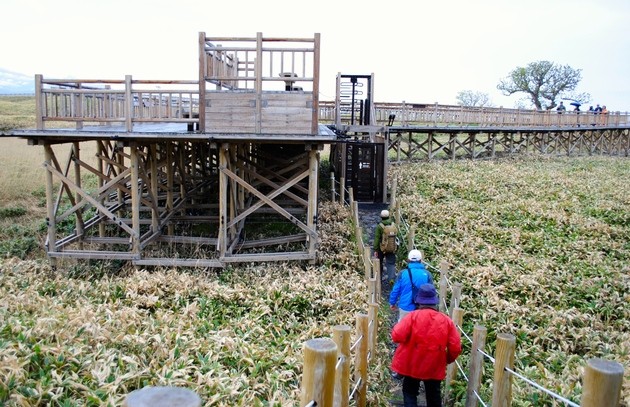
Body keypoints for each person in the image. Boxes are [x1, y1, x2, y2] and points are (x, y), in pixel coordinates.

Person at [391, 283, 462, 407]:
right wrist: (446, 359)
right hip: (434, 364)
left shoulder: (412, 317)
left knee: (409, 391)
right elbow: (455, 347)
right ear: (434, 302)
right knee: (434, 395)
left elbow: (396, 336)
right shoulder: (446, 321)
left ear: (419, 301)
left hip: (411, 363)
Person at [389, 249, 433, 322]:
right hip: (421, 308)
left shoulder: (403, 273)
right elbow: (431, 292)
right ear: (420, 260)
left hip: (405, 306)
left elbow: (396, 290)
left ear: (408, 260)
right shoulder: (427, 274)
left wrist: (392, 302)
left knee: (402, 330)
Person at [373, 209, 397, 283]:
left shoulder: (380, 226)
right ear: (389, 216)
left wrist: (375, 249)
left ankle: (378, 280)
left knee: (379, 262)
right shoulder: (393, 225)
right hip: (391, 247)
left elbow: (377, 238)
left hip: (381, 247)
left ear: (381, 217)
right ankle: (391, 279)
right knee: (391, 263)